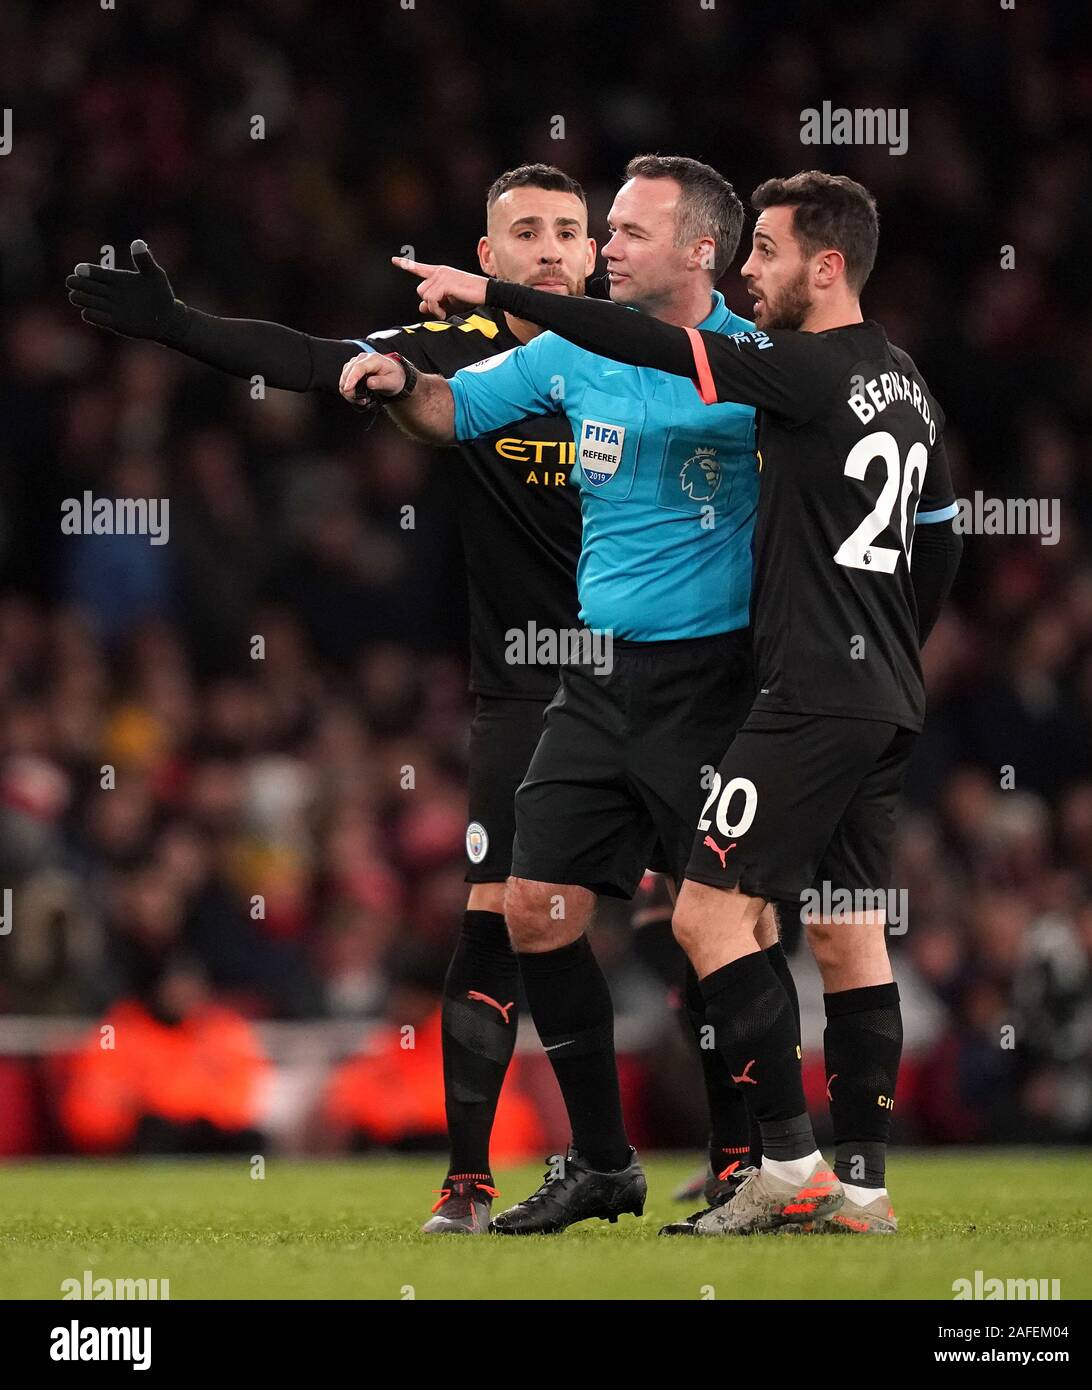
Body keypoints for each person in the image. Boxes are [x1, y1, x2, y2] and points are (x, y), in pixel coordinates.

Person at [64, 163, 754, 1234]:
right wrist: (180, 326)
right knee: (501, 918)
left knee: (701, 918)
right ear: (485, 262)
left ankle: (744, 1156)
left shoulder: (648, 348)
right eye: (524, 232)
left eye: (572, 231)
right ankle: (480, 1178)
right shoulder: (464, 358)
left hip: (677, 670)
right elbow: (309, 359)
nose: (553, 249)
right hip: (529, 684)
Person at [383, 169, 963, 1235]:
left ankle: (786, 1165)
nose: (754, 270)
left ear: (825, 267)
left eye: (770, 254)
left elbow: (650, 345)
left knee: (706, 912)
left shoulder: (792, 365)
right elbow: (945, 537)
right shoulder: (907, 379)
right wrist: (895, 650)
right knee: (846, 931)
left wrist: (488, 297)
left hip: (798, 692)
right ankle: (865, 1186)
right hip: (883, 687)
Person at [341, 155, 799, 1235]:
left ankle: (776, 1162)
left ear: (699, 252)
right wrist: (402, 384)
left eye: (630, 232)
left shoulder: (759, 365)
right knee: (536, 909)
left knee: (720, 922)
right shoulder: (573, 348)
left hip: (714, 683)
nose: (607, 249)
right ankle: (603, 1160)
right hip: (596, 679)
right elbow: (454, 411)